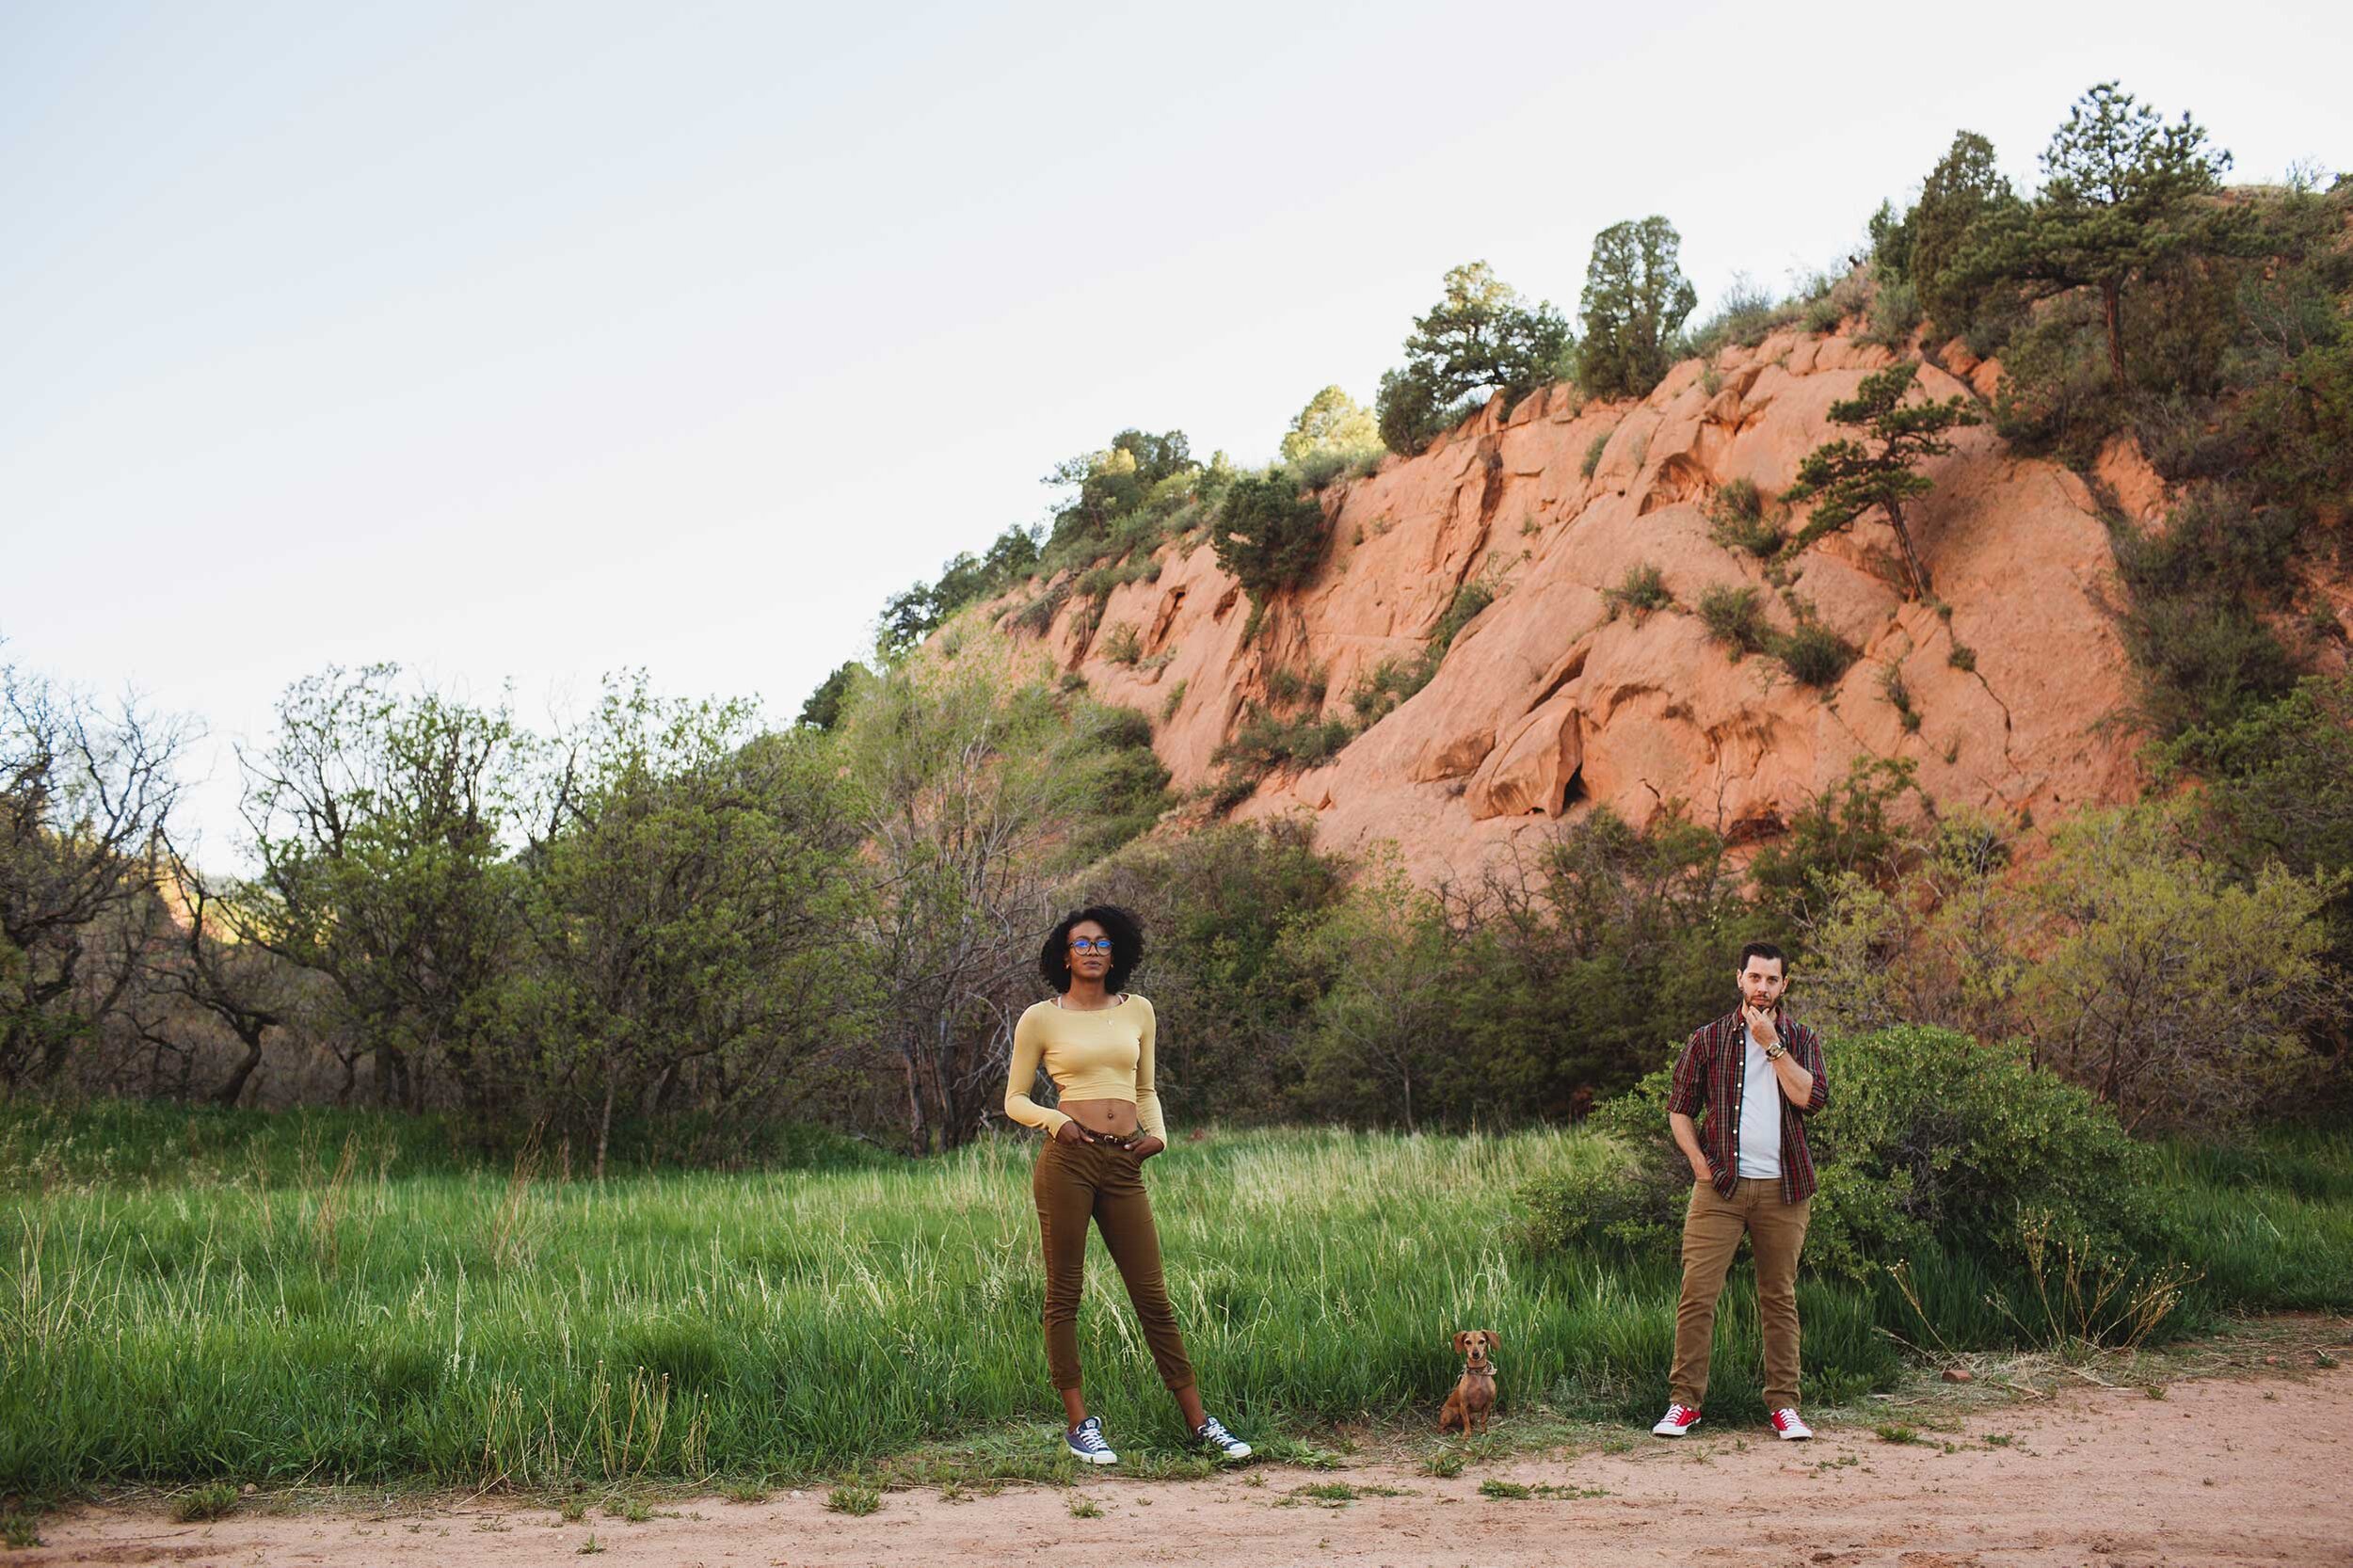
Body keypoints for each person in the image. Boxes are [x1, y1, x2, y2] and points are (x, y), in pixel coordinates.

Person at [1003, 903, 1253, 1465]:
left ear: (1116, 952)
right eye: (1081, 943)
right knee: (1064, 1295)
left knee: (1153, 1297)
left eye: (1102, 943)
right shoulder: (1041, 1018)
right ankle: (1079, 1425)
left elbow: (1146, 1088)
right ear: (1064, 955)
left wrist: (1158, 1136)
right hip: (1068, 1161)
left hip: (1124, 1164)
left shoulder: (1138, 1010)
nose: (1092, 952)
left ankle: (1200, 1424)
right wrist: (1057, 1121)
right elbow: (1014, 1099)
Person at [1651, 940, 1829, 1442]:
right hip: (1720, 1188)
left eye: (1772, 980)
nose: (1763, 987)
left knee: (1779, 1298)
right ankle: (1684, 1404)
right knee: (1697, 1295)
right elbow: (1679, 1106)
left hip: (1784, 1189)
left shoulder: (1801, 1038)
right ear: (1740, 980)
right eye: (1755, 978)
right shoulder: (1707, 1040)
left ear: (1784, 985)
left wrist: (1772, 1044)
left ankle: (1784, 1407)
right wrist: (1697, 1163)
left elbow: (1810, 1098)